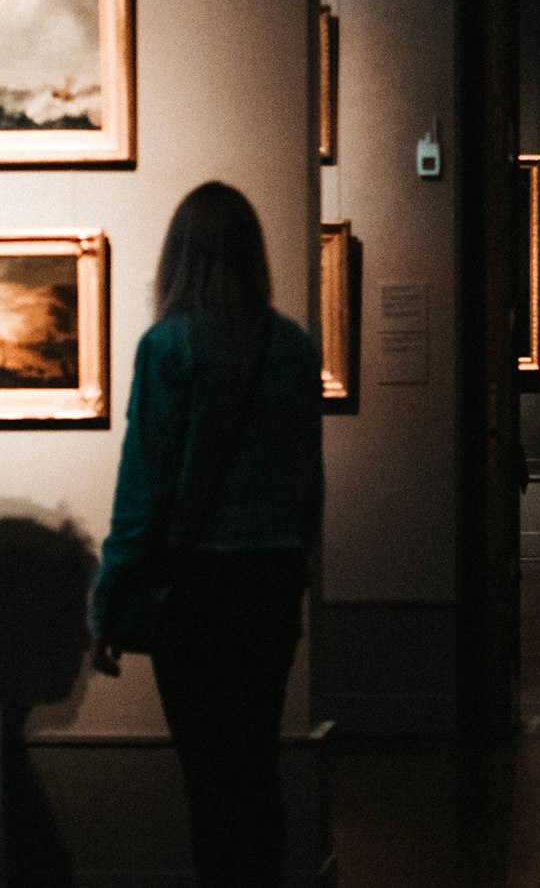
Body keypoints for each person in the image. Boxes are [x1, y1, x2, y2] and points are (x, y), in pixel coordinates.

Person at [90, 181, 324, 888]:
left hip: (195, 588)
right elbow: (307, 477)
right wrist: (301, 568)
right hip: (272, 579)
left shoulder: (167, 346)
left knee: (207, 775)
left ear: (179, 257)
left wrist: (111, 593)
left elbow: (143, 490)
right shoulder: (290, 346)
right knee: (255, 764)